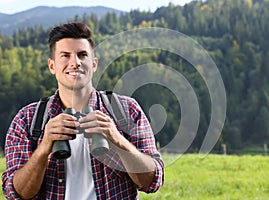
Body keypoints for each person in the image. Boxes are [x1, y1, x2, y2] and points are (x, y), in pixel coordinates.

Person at [2, 22, 164, 199]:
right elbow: (16, 193)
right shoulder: (27, 119)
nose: (75, 62)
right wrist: (43, 148)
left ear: (94, 64)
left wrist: (117, 139)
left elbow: (152, 181)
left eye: (82, 55)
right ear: (52, 66)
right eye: (65, 55)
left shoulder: (126, 110)